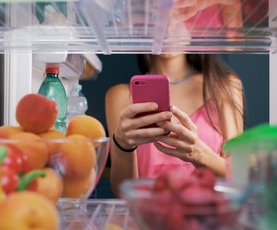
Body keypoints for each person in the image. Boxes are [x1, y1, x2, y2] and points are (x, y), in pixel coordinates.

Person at [105, 54, 245, 196]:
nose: (168, 30)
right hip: (148, 215)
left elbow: (239, 177)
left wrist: (200, 155)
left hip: (209, 214)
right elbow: (123, 192)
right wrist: (123, 145)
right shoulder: (120, 96)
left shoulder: (226, 86)